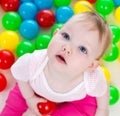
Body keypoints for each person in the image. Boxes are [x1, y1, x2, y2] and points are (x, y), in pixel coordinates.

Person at [1, 11, 111, 116]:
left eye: (82, 49)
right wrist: (29, 97)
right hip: (34, 88)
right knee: (15, 101)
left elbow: (102, 91)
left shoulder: (92, 79)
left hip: (74, 99)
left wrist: (102, 110)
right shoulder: (33, 62)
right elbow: (21, 76)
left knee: (89, 107)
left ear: (91, 65)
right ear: (55, 35)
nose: (67, 48)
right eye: (66, 36)